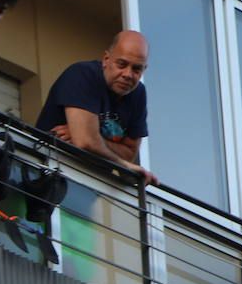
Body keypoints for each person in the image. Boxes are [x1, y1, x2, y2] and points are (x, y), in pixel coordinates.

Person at [36, 30, 157, 185]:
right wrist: (122, 164)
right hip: (46, 172)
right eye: (122, 64)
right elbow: (86, 142)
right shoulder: (83, 74)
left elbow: (129, 153)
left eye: (136, 69)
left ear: (143, 70)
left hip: (91, 183)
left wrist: (91, 137)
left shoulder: (138, 94)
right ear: (106, 59)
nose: (128, 74)